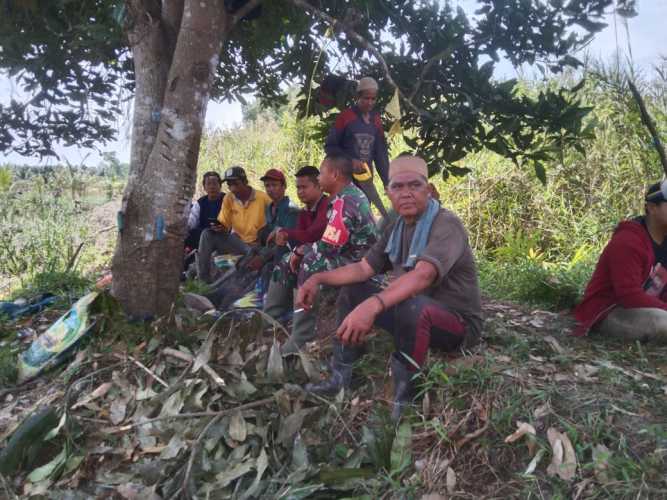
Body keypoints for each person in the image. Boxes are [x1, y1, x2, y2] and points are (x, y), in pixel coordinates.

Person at [296, 156, 482, 420]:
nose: (406, 193)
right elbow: (363, 269)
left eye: (415, 186)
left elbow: (423, 276)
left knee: (411, 305)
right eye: (398, 187)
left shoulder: (445, 224)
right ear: (388, 192)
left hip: (457, 323)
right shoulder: (395, 227)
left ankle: (407, 402)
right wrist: (317, 279)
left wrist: (373, 305)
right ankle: (342, 375)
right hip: (414, 311)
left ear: (428, 191)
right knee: (354, 291)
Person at [266, 154, 378, 355]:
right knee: (288, 259)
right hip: (350, 255)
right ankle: (270, 319)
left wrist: (301, 251)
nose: (319, 178)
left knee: (311, 262)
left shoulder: (346, 201)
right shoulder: (343, 197)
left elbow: (328, 247)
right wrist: (298, 252)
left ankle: (301, 335)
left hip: (361, 262)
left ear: (334, 175)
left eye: (322, 173)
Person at [573, 181, 667, 344]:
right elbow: (629, 296)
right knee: (662, 322)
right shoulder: (628, 241)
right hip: (608, 311)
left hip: (649, 310)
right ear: (652, 208)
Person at [325, 76, 390, 218]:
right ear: (358, 97)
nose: (370, 102)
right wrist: (350, 160)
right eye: (366, 98)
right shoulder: (346, 117)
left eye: (373, 99)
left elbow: (380, 154)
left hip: (365, 180)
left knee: (362, 215)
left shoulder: (376, 120)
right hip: (344, 179)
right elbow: (330, 147)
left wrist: (387, 181)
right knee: (343, 215)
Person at [197, 166, 271, 283]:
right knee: (207, 233)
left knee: (251, 253)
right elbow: (224, 223)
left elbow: (274, 223)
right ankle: (203, 280)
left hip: (255, 245)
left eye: (235, 184)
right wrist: (219, 227)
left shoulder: (263, 198)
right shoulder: (229, 198)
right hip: (237, 243)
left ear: (244, 182)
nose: (232, 188)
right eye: (229, 185)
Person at [185, 171, 224, 250]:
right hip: (204, 235)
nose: (212, 187)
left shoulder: (228, 200)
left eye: (215, 184)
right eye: (208, 184)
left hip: (223, 234)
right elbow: (192, 220)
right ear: (204, 187)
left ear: (220, 186)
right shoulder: (200, 203)